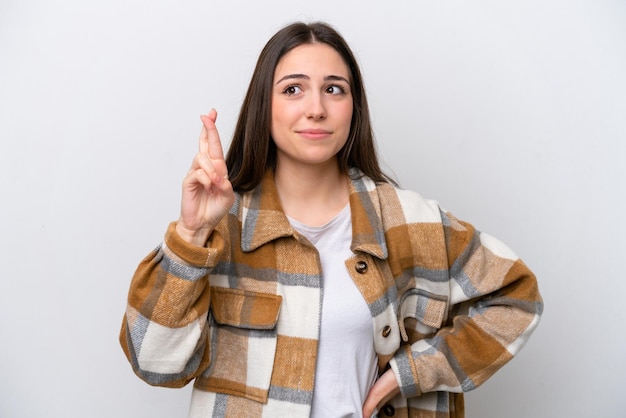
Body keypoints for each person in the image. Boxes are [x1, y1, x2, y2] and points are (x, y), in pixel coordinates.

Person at [119, 21, 543, 418]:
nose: (316, 108)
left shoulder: (407, 221)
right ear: (263, 105)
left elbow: (517, 297)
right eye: (293, 90)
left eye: (334, 89)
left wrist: (411, 373)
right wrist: (191, 233)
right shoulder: (221, 227)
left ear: (353, 107)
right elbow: (155, 363)